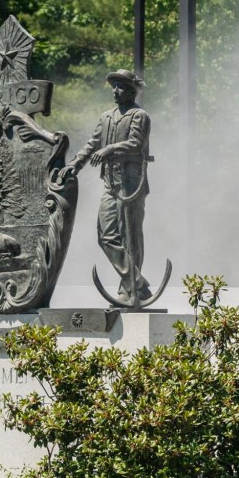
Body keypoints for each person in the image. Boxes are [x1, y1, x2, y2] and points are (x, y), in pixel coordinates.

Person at [60, 69, 151, 305]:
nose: (115, 91)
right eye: (114, 86)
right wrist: (75, 165)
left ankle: (128, 289)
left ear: (131, 90)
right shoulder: (106, 117)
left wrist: (109, 150)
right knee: (106, 235)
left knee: (131, 236)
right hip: (110, 183)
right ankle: (137, 282)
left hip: (131, 182)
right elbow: (92, 143)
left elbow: (135, 143)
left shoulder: (139, 116)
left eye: (120, 86)